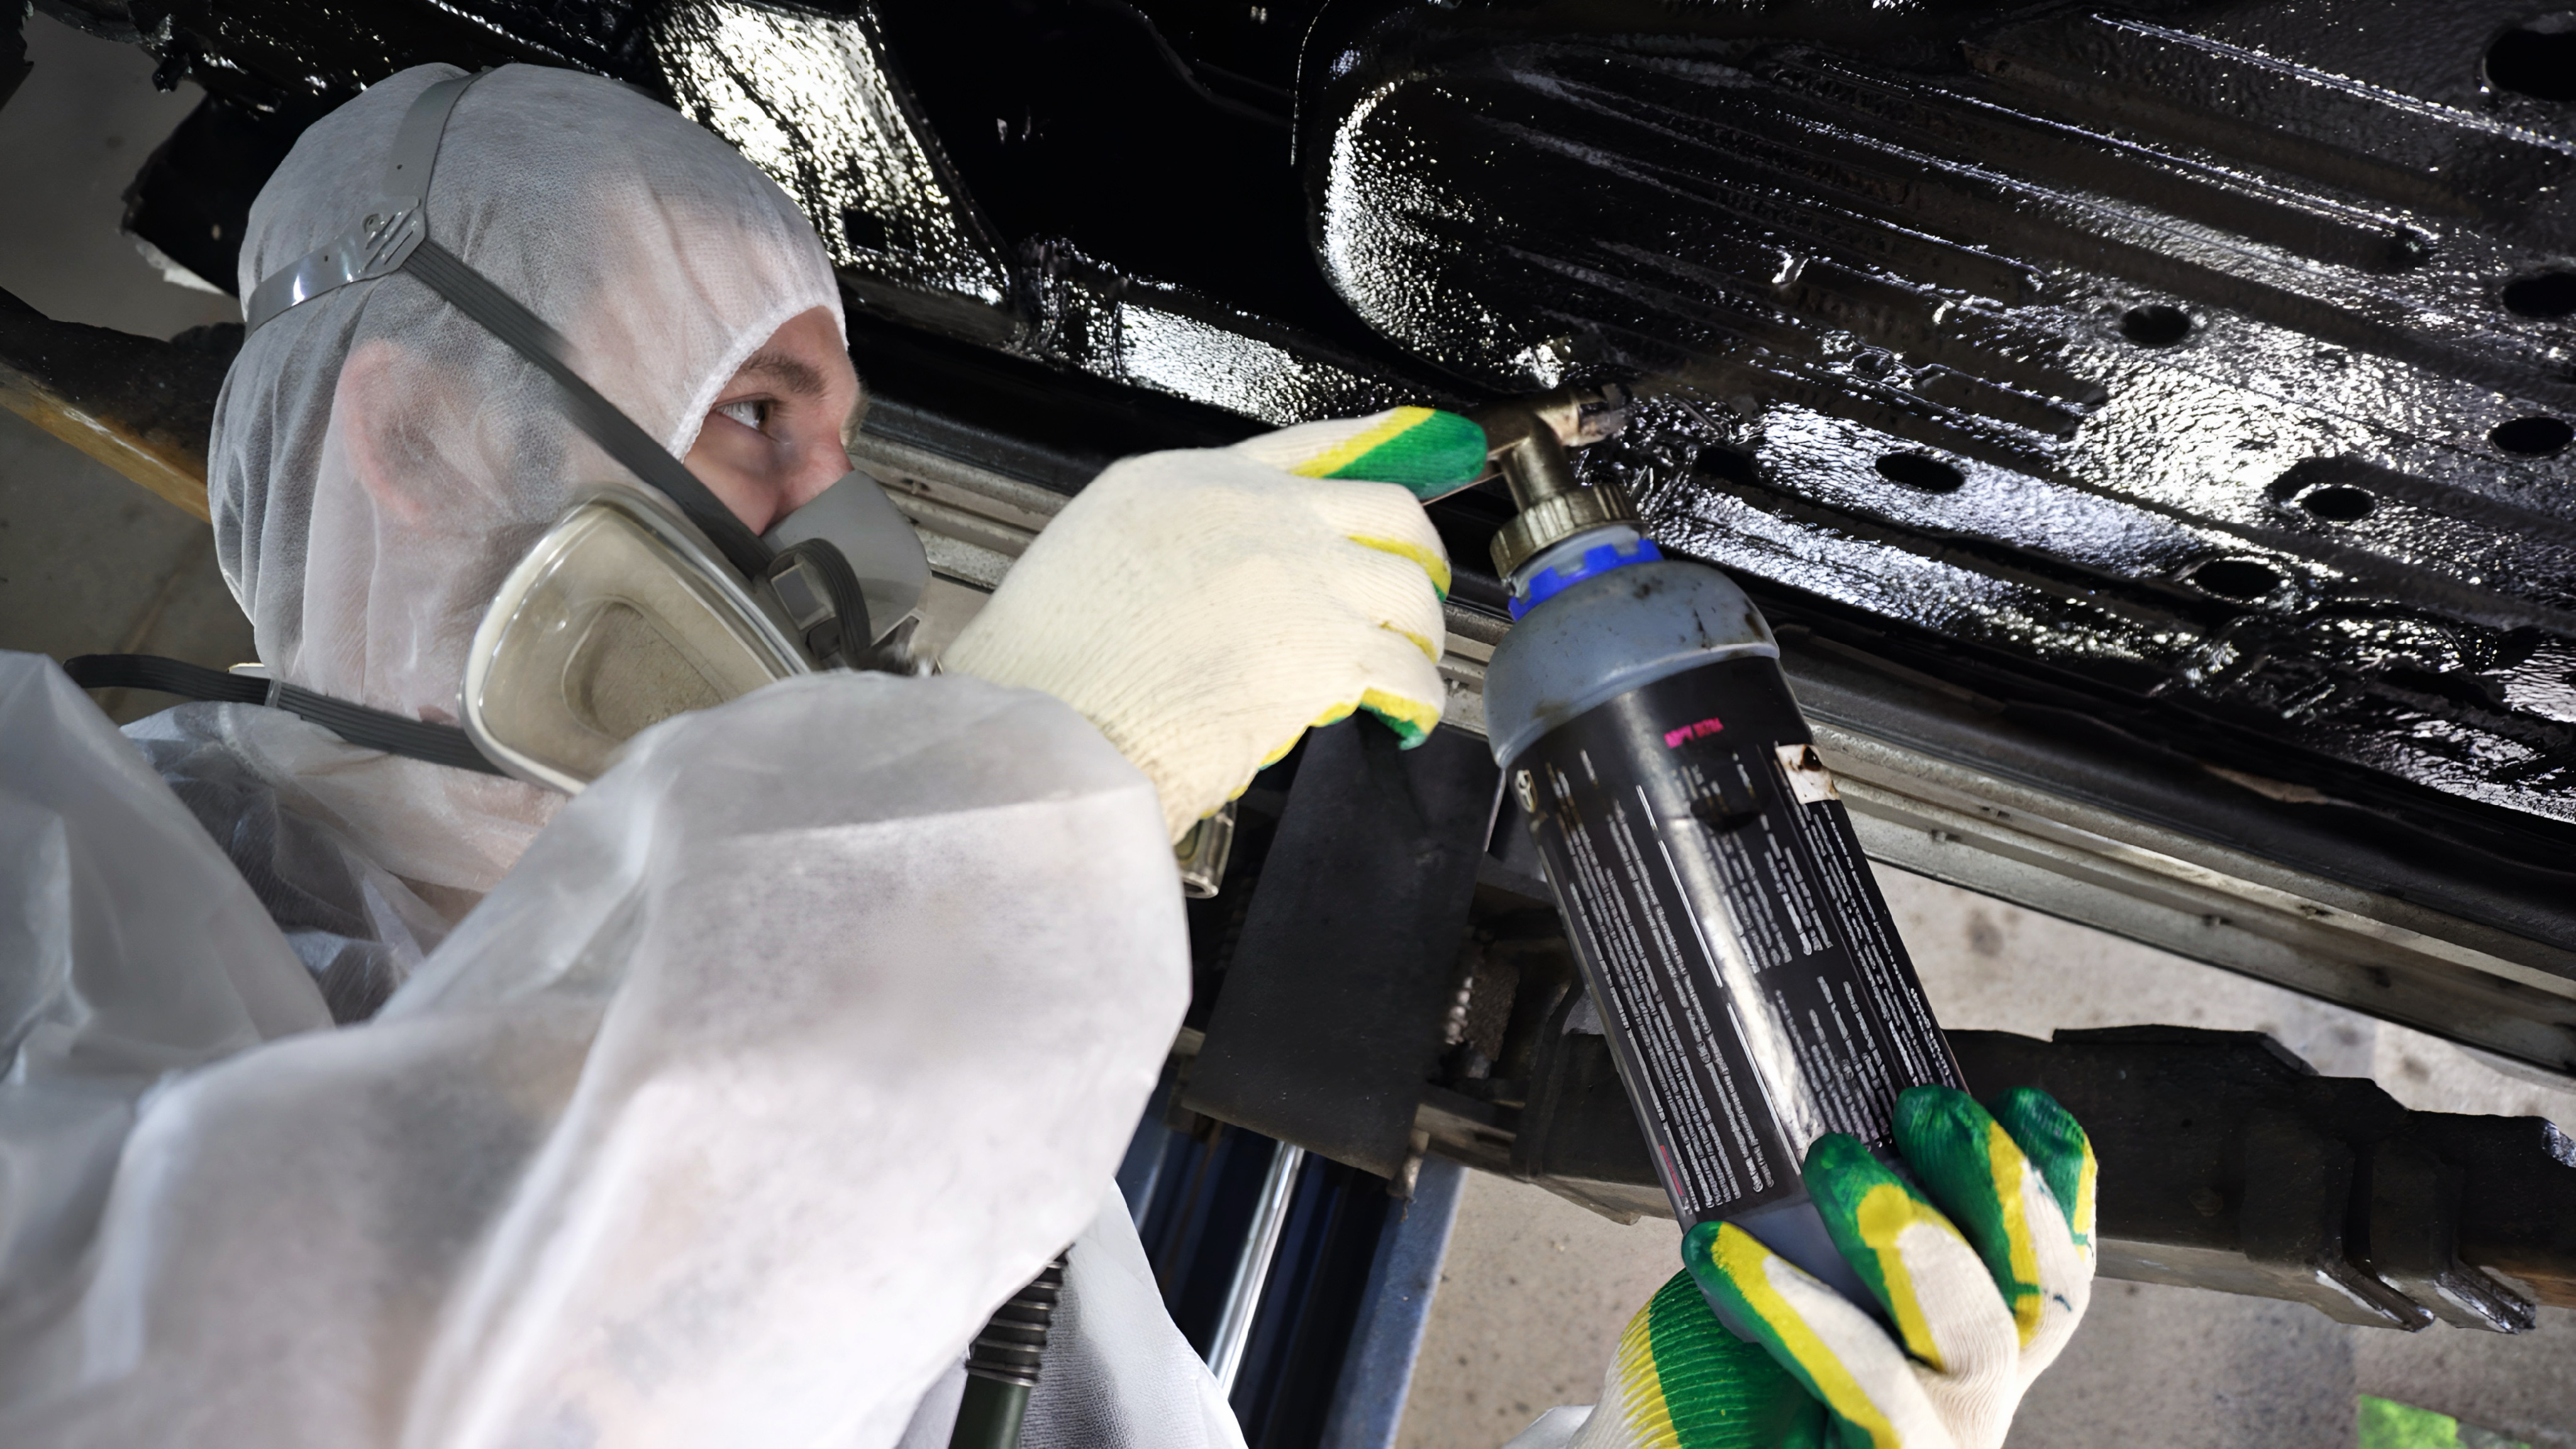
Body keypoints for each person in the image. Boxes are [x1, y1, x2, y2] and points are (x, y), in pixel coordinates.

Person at [0, 59, 2089, 1449]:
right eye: (756, 417)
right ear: (424, 430)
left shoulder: (935, 1114)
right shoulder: (44, 900)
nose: (846, 530)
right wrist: (1019, 796)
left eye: (841, 438)